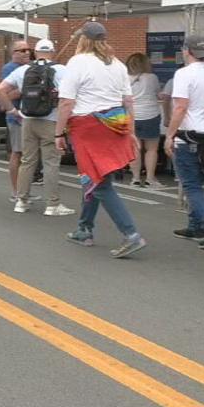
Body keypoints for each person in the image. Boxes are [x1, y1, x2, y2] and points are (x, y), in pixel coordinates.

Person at [56, 22, 147, 259]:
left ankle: (131, 234)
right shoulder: (117, 64)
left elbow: (66, 101)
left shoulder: (77, 62)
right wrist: (132, 130)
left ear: (82, 39)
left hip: (88, 126)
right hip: (115, 123)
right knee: (94, 177)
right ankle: (84, 228)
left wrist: (58, 133)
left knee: (101, 183)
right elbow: (128, 100)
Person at [164, 37, 204, 250]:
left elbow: (181, 107)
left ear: (186, 51)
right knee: (197, 182)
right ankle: (195, 225)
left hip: (189, 134)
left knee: (191, 185)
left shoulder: (184, 74)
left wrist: (170, 135)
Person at [0, 39, 74, 217]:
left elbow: (0, 90)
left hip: (28, 120)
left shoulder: (23, 70)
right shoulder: (62, 70)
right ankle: (52, 204)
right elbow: (67, 99)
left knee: (27, 161)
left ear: (36, 52)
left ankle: (21, 201)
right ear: (52, 52)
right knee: (50, 163)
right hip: (51, 120)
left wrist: (12, 110)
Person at [0, 40, 32, 202]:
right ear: (14, 53)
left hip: (30, 116)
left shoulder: (31, 67)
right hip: (16, 116)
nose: (27, 53)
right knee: (17, 153)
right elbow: (6, 95)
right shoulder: (9, 69)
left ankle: (24, 190)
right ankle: (16, 192)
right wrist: (28, 87)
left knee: (28, 155)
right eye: (22, 50)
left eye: (28, 50)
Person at [125, 53, 163, 188]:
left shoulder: (125, 79)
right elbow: (159, 93)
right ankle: (150, 179)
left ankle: (135, 178)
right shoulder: (152, 77)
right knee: (151, 149)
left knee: (135, 147)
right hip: (150, 115)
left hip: (131, 116)